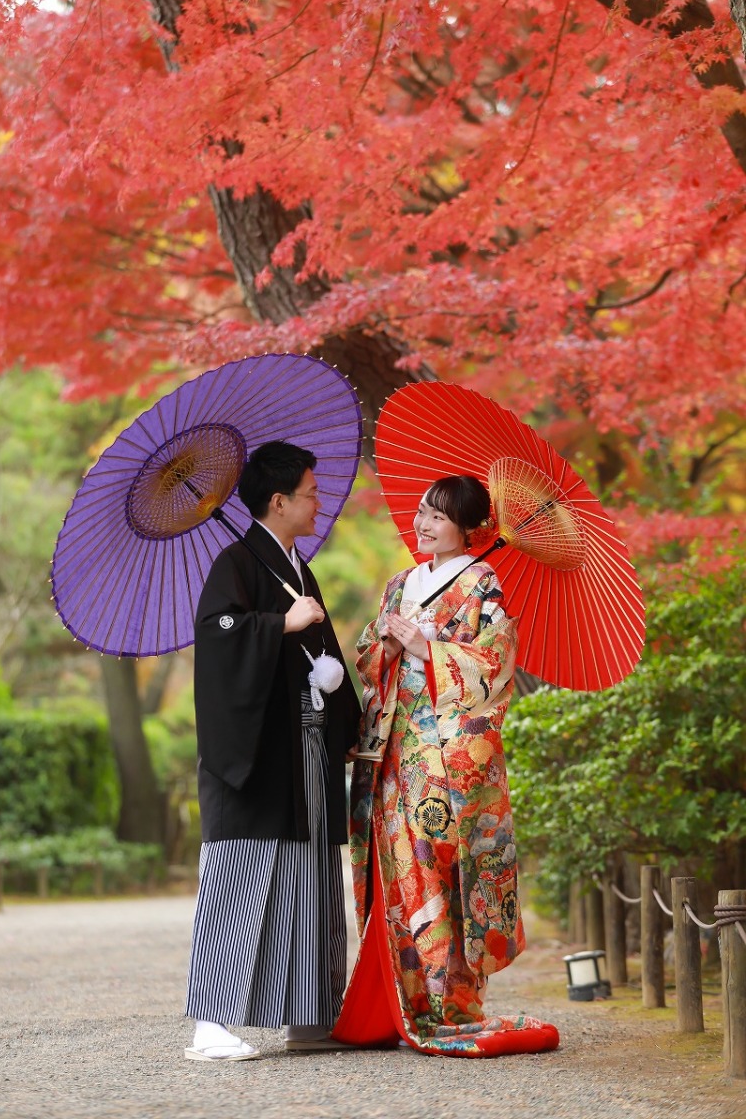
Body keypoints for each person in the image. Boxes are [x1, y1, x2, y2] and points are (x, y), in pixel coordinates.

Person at [333, 475, 559, 1057]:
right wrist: (385, 641)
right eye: (422, 512)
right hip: (393, 749)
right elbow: (367, 657)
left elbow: (493, 665)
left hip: (445, 757)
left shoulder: (482, 582)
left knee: (442, 869)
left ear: (467, 528)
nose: (424, 522)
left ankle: (450, 1003)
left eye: (439, 516)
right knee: (397, 868)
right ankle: (403, 999)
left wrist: (425, 648)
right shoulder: (400, 583)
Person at [184, 441, 361, 1062]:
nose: (319, 503)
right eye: (311, 493)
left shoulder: (296, 568)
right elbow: (216, 633)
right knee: (242, 874)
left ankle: (309, 1015)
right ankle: (210, 1022)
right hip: (256, 753)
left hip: (305, 746)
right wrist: (279, 624)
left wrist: (334, 685)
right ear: (279, 501)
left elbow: (319, 655)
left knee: (308, 875)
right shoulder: (235, 563)